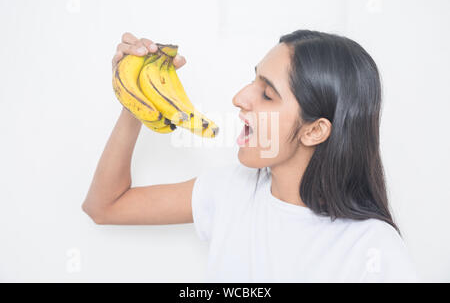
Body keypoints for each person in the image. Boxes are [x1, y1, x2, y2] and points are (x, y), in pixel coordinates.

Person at [82, 30, 420, 282]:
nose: (240, 98)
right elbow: (104, 206)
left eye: (267, 95)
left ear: (314, 130)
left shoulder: (372, 249)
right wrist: (138, 96)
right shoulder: (229, 191)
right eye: (252, 79)